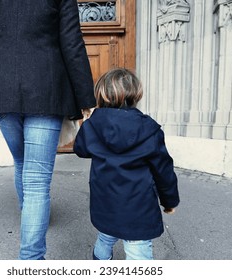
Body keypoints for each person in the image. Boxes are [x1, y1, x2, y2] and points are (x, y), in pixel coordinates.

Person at [0, 0, 96, 260]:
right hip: (45, 87)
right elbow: (72, 43)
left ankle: (30, 218)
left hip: (3, 89)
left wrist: (7, 55)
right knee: (37, 180)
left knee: (22, 162)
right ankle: (31, 260)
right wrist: (86, 100)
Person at [73, 68, 180, 260]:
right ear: (135, 94)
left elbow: (81, 149)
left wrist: (88, 121)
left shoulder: (93, 125)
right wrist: (169, 201)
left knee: (106, 237)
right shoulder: (149, 129)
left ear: (101, 94)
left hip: (105, 203)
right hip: (138, 207)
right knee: (137, 251)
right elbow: (163, 170)